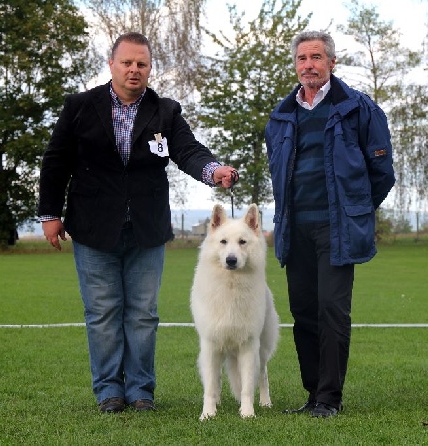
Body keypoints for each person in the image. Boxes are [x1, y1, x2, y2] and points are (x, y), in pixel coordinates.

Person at [38, 32, 238, 414]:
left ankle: (141, 391)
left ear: (149, 68)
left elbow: (188, 150)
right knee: (102, 313)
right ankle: (109, 391)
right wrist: (50, 215)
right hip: (93, 229)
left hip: (146, 229)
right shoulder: (80, 106)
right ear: (112, 64)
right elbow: (56, 161)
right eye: (127, 62)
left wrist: (214, 171)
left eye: (141, 64)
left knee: (143, 314)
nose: (134, 70)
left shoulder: (166, 111)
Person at [265, 30, 395, 418]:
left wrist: (354, 209)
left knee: (332, 311)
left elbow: (382, 172)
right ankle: (313, 394)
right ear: (295, 64)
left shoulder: (358, 108)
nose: (309, 65)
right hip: (295, 229)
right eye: (303, 58)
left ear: (332, 63)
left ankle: (330, 399)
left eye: (317, 57)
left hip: (337, 229)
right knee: (303, 312)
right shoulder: (280, 116)